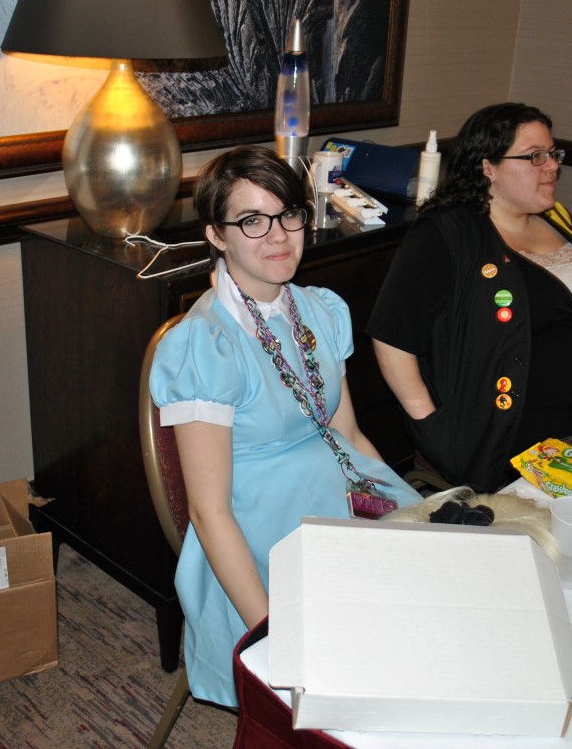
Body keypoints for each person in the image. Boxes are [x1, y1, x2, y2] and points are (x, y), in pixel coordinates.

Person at [149, 145, 421, 707]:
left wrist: (398, 507)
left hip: (332, 490)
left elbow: (347, 435)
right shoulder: (206, 344)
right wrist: (273, 633)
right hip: (255, 526)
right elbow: (209, 511)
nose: (278, 236)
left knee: (432, 591)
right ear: (216, 235)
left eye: (288, 214)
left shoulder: (319, 309)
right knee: (369, 654)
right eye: (252, 220)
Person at [367, 103, 572, 493]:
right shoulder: (447, 233)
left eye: (553, 153)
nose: (552, 166)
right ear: (488, 166)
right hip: (519, 451)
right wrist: (434, 428)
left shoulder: (557, 217)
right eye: (534, 156)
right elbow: (392, 338)